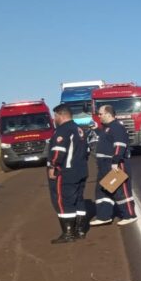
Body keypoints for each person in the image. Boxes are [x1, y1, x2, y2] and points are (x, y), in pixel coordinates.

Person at [89, 104, 137, 226]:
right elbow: (106, 138)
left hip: (115, 164)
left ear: (108, 114)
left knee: (120, 190)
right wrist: (96, 129)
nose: (98, 116)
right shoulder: (107, 128)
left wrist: (115, 161)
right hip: (104, 165)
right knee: (102, 190)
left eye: (100, 114)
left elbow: (119, 145)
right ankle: (103, 216)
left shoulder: (117, 127)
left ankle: (129, 215)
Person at [47, 104, 89, 244]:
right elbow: (86, 151)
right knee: (79, 200)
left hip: (66, 172)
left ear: (61, 115)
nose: (54, 119)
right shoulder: (79, 129)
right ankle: (80, 230)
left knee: (64, 201)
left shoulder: (62, 130)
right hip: (81, 170)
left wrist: (53, 165)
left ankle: (68, 233)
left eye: (55, 116)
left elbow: (58, 151)